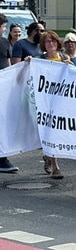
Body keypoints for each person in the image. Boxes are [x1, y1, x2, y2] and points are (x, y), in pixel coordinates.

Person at [32, 30, 73, 179]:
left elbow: (73, 76)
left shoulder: (64, 58)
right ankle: (54, 164)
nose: (51, 44)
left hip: (60, 101)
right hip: (45, 102)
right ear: (43, 44)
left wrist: (70, 66)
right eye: (48, 42)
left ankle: (50, 157)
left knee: (56, 132)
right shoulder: (39, 60)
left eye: (53, 41)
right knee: (48, 131)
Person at [0, 14, 17, 173]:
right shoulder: (4, 43)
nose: (4, 30)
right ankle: (2, 159)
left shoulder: (4, 42)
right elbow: (8, 65)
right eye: (4, 27)